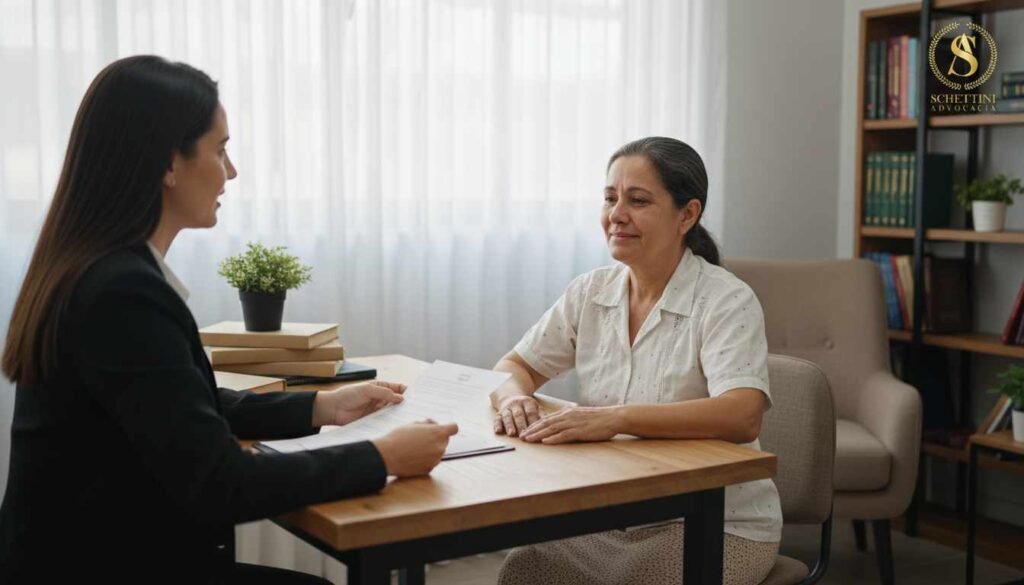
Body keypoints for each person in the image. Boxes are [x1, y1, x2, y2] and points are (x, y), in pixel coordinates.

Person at [0, 55, 458, 584]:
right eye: (220, 151)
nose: (232, 171)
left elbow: (184, 407)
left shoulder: (97, 267)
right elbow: (219, 481)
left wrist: (321, 406)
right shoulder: (121, 291)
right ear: (168, 164)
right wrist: (381, 456)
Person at [490, 137, 782, 585]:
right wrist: (514, 399)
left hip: (719, 523)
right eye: (610, 199)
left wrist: (615, 419)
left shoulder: (726, 299)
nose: (616, 215)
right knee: (524, 568)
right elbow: (514, 367)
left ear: (687, 214)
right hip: (614, 514)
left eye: (638, 200)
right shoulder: (590, 291)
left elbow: (743, 415)